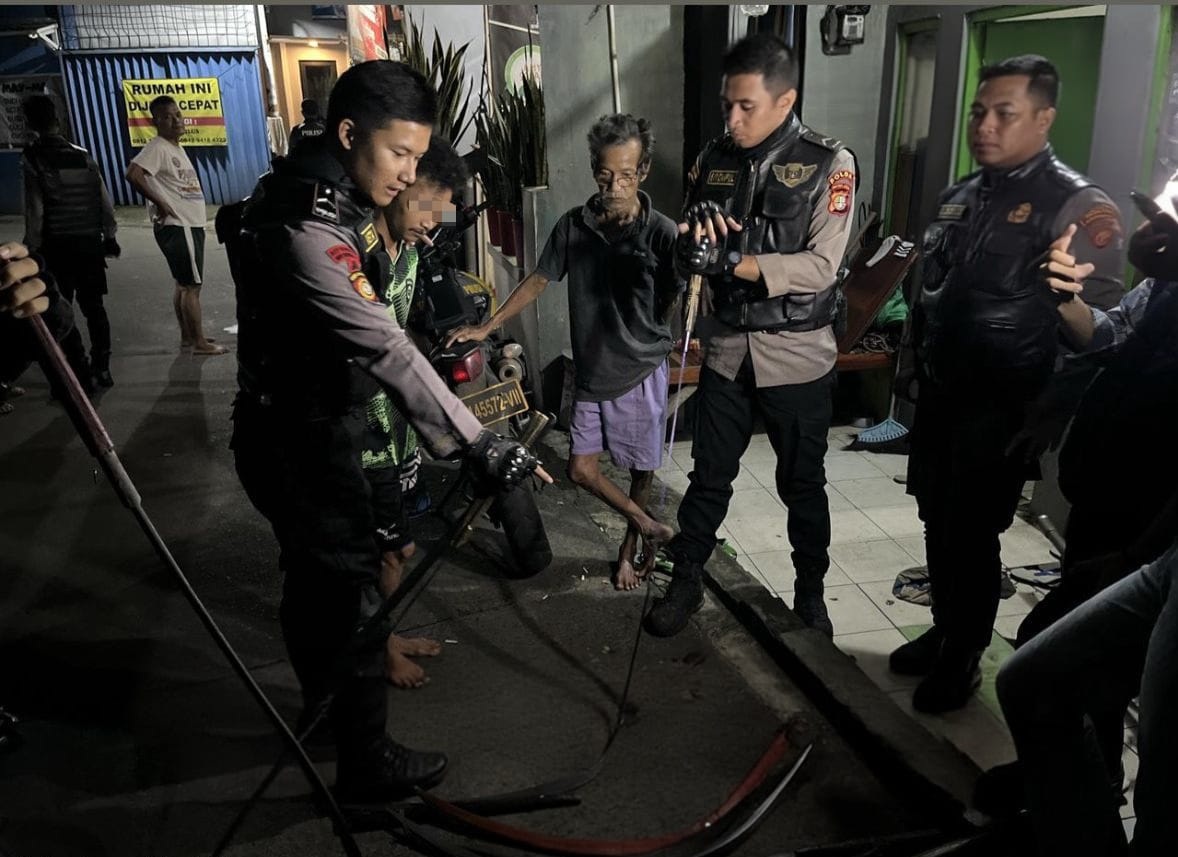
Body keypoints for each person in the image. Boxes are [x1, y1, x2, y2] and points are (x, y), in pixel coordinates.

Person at [226, 60, 550, 802]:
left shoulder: (298, 198)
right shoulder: (310, 226)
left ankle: (325, 711)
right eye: (400, 153)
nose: (409, 175)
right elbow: (385, 346)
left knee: (313, 590)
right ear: (348, 134)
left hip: (284, 426)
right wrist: (481, 442)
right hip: (305, 440)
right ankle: (367, 768)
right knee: (352, 600)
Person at [888, 55, 1126, 713]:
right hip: (944, 393)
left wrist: (1049, 412)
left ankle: (963, 654)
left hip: (1004, 404)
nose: (984, 125)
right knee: (937, 514)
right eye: (978, 110)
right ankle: (946, 627)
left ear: (1044, 119)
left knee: (972, 528)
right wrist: (912, 369)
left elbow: (1100, 326)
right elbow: (932, 292)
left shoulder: (1077, 204)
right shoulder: (961, 193)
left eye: (1004, 113)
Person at [645, 34, 856, 638]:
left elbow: (821, 265)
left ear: (785, 100)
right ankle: (685, 577)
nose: (733, 120)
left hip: (796, 355)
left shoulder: (828, 163)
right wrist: (689, 254)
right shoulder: (714, 157)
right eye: (727, 106)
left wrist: (733, 262)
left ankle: (810, 597)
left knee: (802, 486)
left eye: (747, 107)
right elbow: (695, 243)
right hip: (729, 348)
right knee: (709, 474)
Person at [449, 113, 680, 591]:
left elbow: (680, 293)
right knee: (581, 469)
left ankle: (628, 553)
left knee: (641, 470)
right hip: (593, 371)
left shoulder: (661, 232)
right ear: (595, 170)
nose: (616, 186)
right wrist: (488, 325)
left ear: (644, 171)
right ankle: (644, 523)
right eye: (606, 175)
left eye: (627, 175)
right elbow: (538, 279)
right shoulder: (574, 226)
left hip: (640, 369)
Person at [363, 136, 471, 689]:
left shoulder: (408, 250)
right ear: (400, 185)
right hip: (367, 434)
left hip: (397, 426)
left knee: (398, 545)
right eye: (425, 204)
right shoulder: (362, 251)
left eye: (440, 211)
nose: (431, 221)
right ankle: (382, 651)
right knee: (390, 550)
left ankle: (386, 633)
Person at [21, 95, 121, 388]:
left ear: (30, 122)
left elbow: (35, 211)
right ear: (56, 118)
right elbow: (105, 202)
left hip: (57, 247)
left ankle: (79, 371)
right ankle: (102, 367)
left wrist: (31, 248)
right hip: (89, 244)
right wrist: (110, 236)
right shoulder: (83, 154)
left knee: (60, 309)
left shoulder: (32, 157)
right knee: (95, 308)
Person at [126, 95, 227, 356]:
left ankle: (188, 336)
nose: (175, 120)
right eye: (167, 117)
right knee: (192, 286)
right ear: (155, 121)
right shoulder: (158, 147)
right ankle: (200, 342)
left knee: (183, 284)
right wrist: (160, 203)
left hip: (186, 224)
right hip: (179, 225)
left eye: (177, 114)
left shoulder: (174, 148)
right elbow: (133, 174)